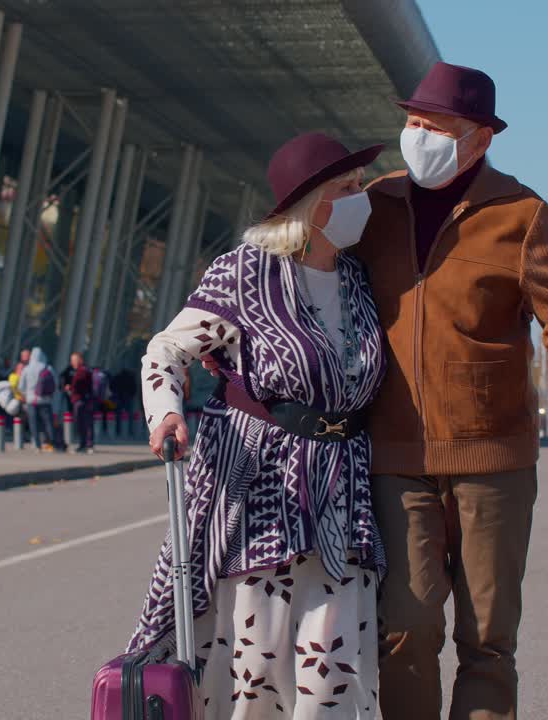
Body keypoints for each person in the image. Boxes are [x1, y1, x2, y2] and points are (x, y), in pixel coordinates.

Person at [352, 62, 548, 719]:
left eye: (437, 127)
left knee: (487, 640)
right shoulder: (373, 207)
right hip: (395, 457)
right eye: (412, 123)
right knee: (406, 626)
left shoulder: (521, 215)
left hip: (495, 460)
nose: (419, 137)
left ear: (480, 139)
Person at [127, 132, 387, 718]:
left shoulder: (358, 280)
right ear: (312, 205)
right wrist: (166, 410)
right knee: (257, 675)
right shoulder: (246, 271)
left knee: (334, 674)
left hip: (343, 491)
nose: (360, 197)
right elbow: (165, 350)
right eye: (347, 188)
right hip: (258, 487)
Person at [18, 347, 62, 451]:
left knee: (33, 423)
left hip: (31, 401)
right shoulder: (48, 368)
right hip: (45, 400)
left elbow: (21, 387)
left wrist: (26, 394)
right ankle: (52, 444)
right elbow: (55, 384)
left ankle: (37, 445)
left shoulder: (26, 369)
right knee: (48, 423)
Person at [65, 351, 95, 453]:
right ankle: (85, 444)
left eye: (74, 360)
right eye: (72, 360)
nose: (72, 362)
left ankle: (86, 444)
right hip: (83, 399)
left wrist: (71, 388)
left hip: (81, 400)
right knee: (83, 423)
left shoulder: (82, 371)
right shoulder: (83, 370)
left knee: (83, 423)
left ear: (80, 360)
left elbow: (78, 385)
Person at [111, 366, 137, 435]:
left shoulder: (117, 377)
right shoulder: (130, 378)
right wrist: (131, 395)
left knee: (118, 415)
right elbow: (134, 388)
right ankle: (130, 430)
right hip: (128, 397)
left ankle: (118, 430)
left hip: (119, 397)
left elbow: (112, 386)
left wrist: (115, 393)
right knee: (130, 415)